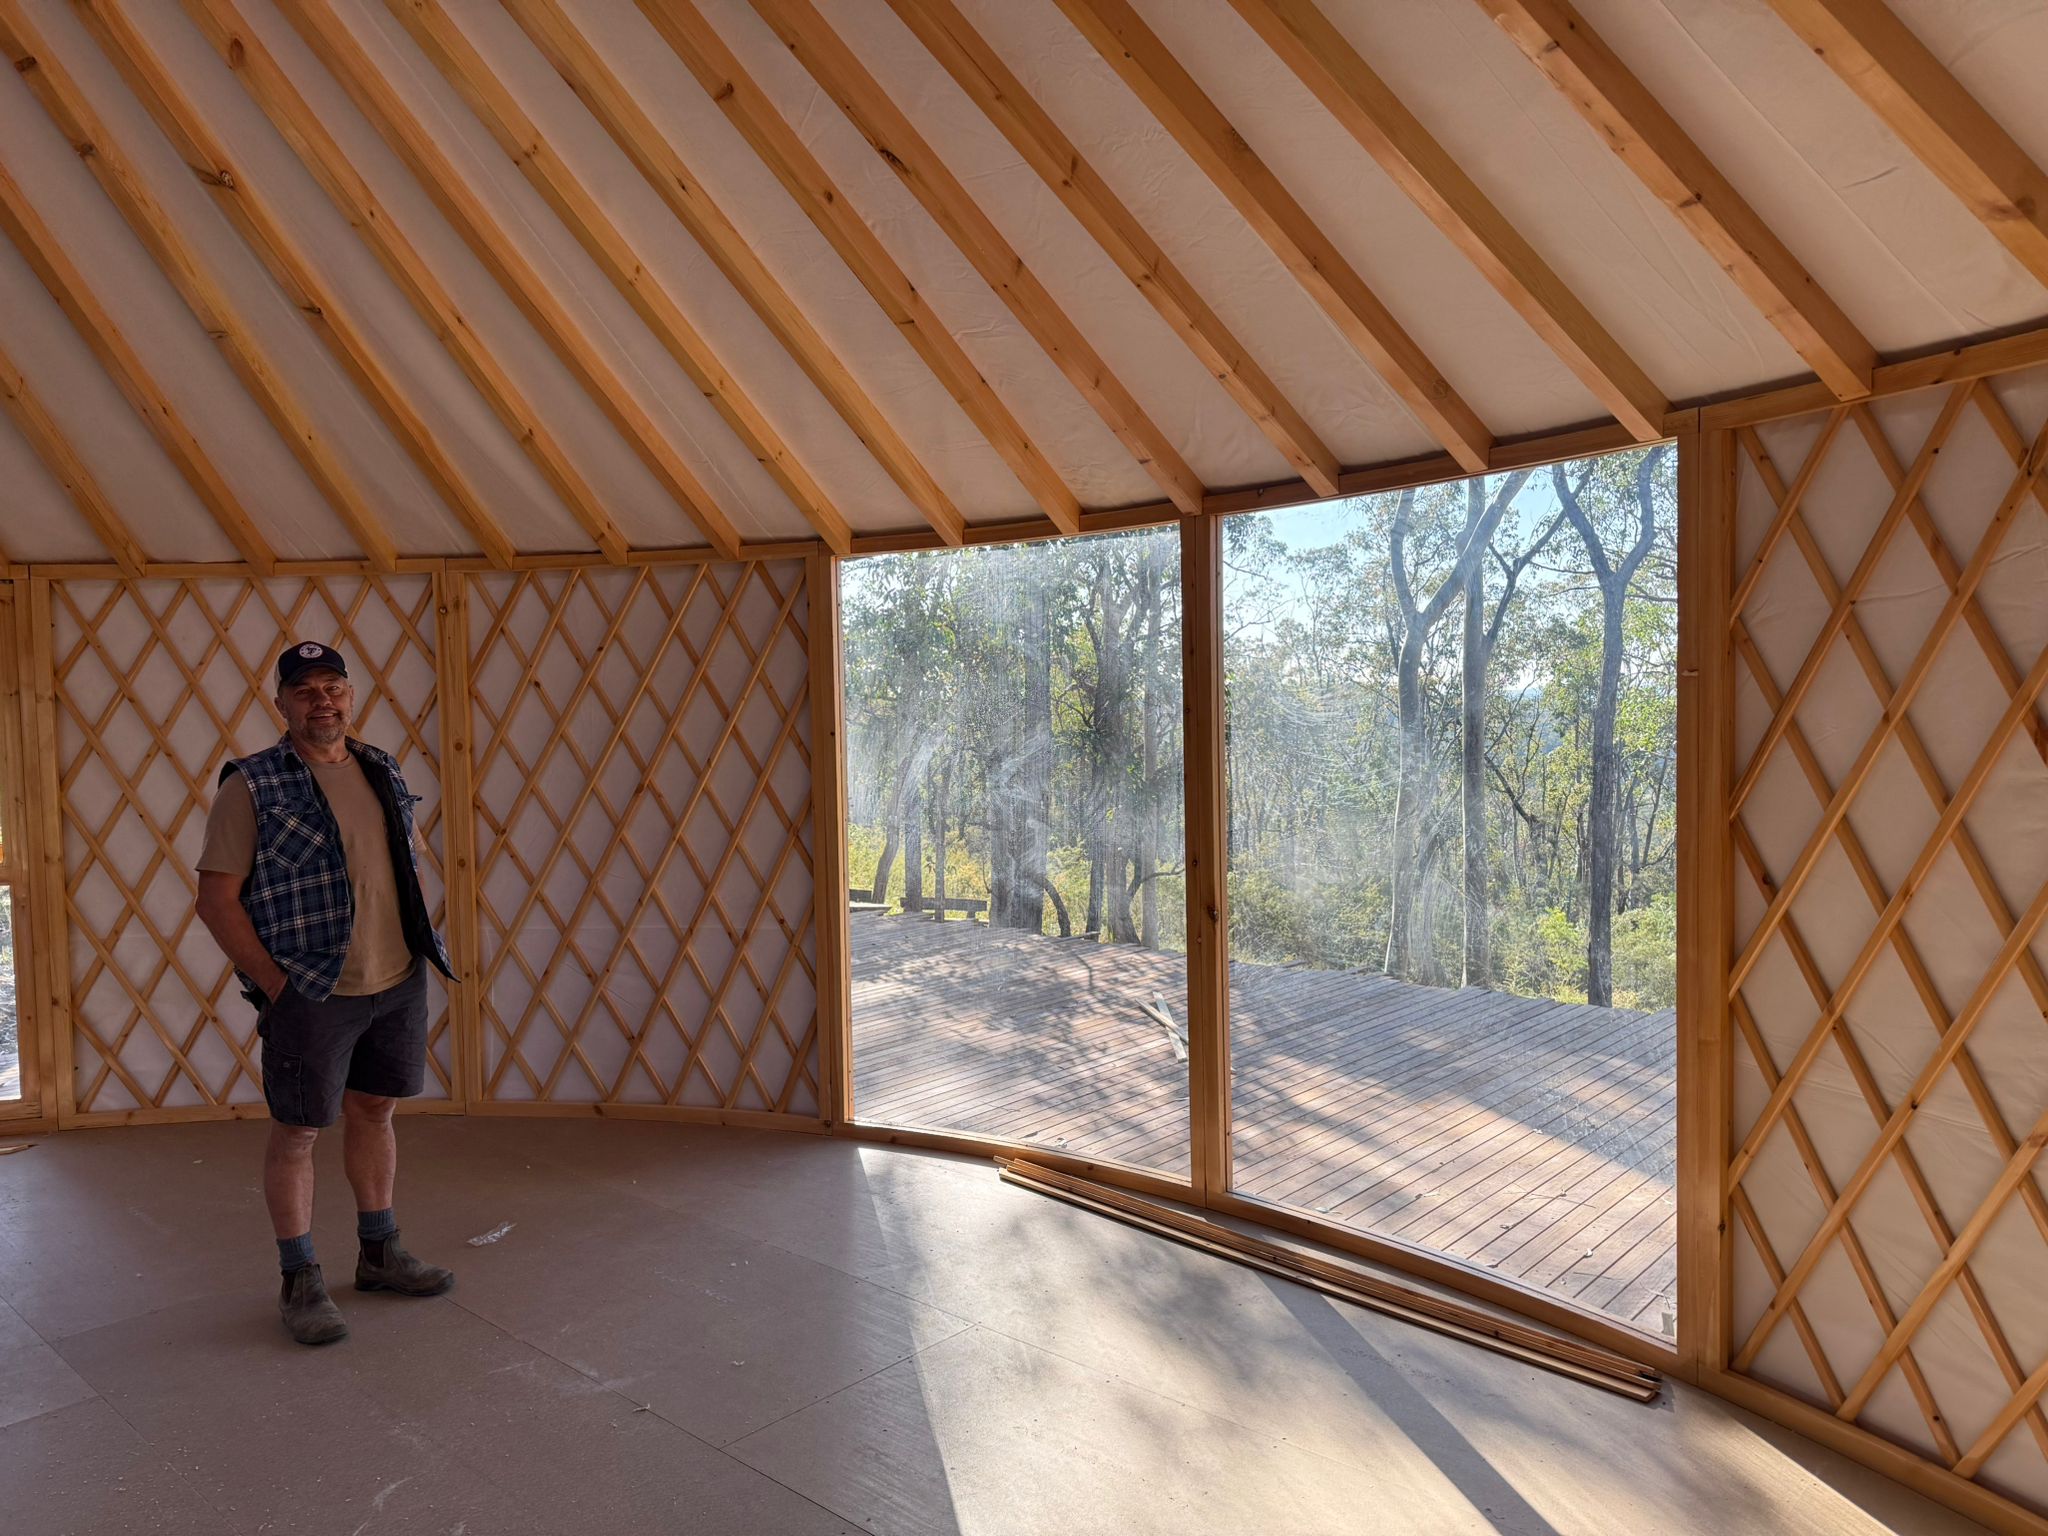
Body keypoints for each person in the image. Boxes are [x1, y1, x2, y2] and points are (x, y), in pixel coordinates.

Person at [194, 641, 457, 1345]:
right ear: (280, 702)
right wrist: (277, 986)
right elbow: (217, 900)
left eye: (333, 686)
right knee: (300, 1131)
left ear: (350, 695)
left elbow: (403, 861)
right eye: (305, 689)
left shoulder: (381, 768)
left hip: (397, 978)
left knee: (375, 1109)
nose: (322, 700)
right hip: (311, 990)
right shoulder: (250, 785)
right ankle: (300, 1278)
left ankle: (379, 1251)